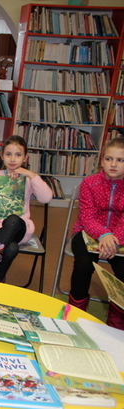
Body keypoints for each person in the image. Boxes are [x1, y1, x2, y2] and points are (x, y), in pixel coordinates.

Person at [0, 135, 53, 283]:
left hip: (19, 229)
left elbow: (46, 198)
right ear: (2, 156)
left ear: (25, 158)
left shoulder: (28, 179)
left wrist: (31, 175)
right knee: (11, 248)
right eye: (8, 154)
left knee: (14, 220)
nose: (12, 159)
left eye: (18, 155)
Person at [68, 137, 124, 330]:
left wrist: (114, 240)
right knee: (83, 263)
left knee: (123, 270)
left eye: (120, 160)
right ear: (102, 160)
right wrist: (103, 235)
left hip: (119, 237)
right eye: (109, 159)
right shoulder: (90, 183)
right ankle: (76, 310)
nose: (113, 164)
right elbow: (87, 216)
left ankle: (117, 317)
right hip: (87, 232)